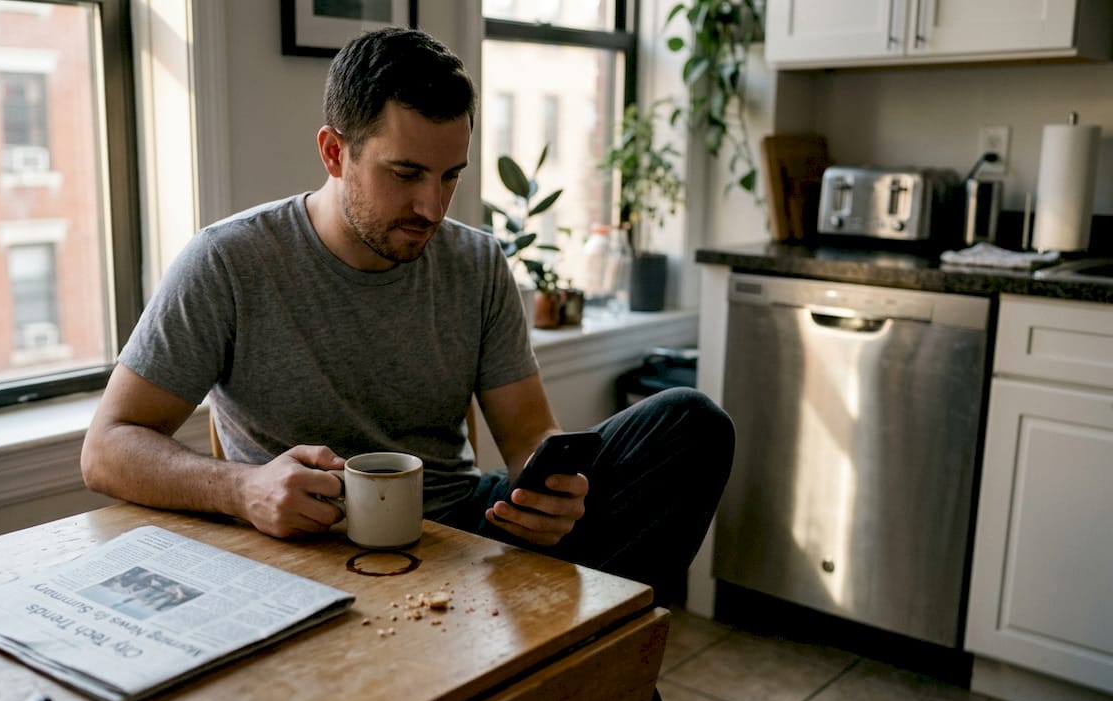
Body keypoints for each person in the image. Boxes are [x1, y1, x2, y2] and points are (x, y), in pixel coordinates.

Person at [81, 27, 733, 614]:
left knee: (691, 424)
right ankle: (583, 664)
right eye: (406, 173)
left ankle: (594, 654)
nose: (431, 205)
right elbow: (107, 447)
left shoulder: (476, 261)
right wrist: (242, 488)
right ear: (335, 153)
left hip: (463, 526)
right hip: (315, 550)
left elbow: (529, 433)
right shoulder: (229, 261)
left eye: (451, 176)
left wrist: (553, 493)